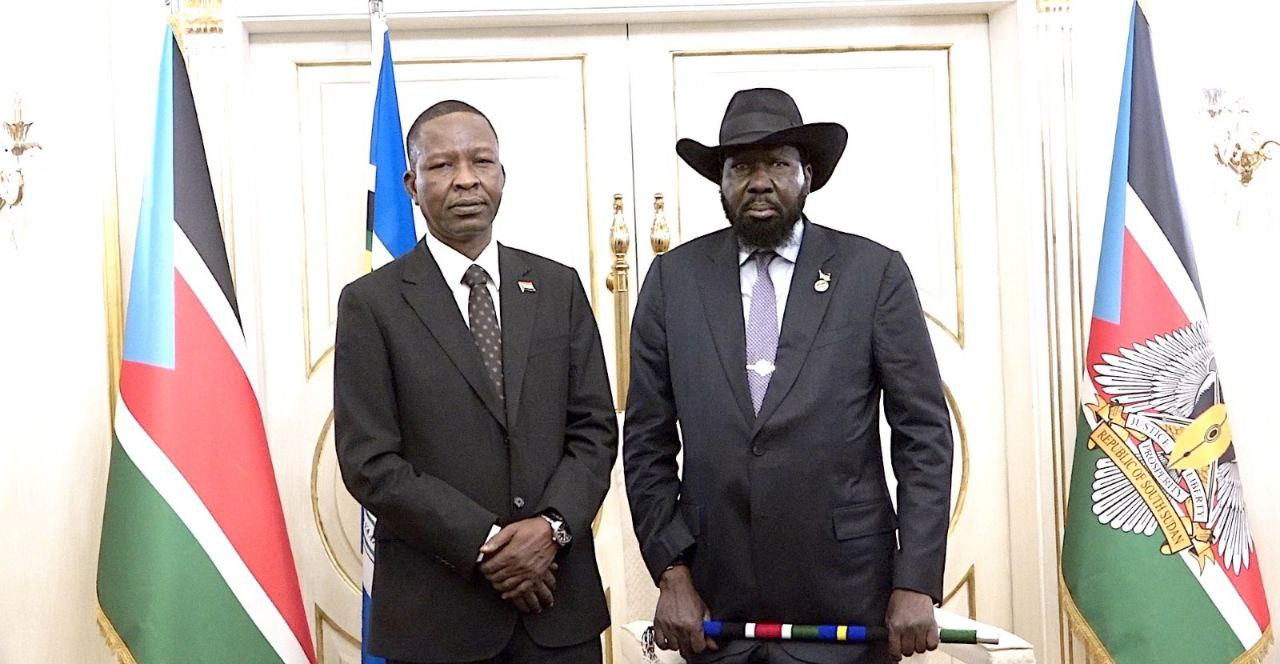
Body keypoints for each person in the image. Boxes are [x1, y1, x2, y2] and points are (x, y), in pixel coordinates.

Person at [624, 88, 953, 664]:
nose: (759, 182)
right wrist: (671, 572)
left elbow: (922, 433)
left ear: (808, 176)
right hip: (715, 605)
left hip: (848, 601)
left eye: (777, 164)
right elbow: (646, 441)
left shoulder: (872, 273)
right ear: (721, 180)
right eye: (740, 167)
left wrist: (916, 580)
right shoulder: (672, 280)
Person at [335, 99, 617, 664]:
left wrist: (551, 530)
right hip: (436, 618)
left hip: (557, 610)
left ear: (502, 176)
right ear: (412, 185)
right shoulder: (372, 304)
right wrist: (489, 545)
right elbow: (370, 461)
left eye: (481, 161)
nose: (466, 179)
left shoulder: (557, 287)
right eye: (442, 166)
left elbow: (595, 431)